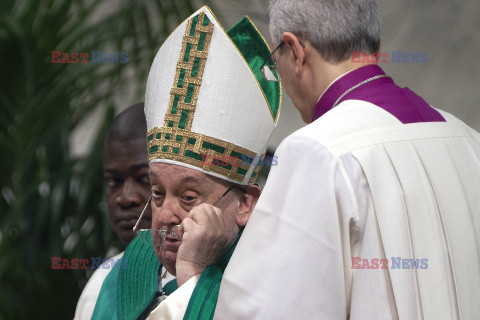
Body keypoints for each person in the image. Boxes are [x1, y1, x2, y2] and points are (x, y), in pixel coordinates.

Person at [214, 0, 480, 319]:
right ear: (375, 46)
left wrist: (192, 280)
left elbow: (267, 310)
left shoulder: (317, 151)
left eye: (274, 61)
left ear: (294, 50)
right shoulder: (469, 140)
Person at [90, 6, 281, 320]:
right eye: (157, 193)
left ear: (245, 202)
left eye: (189, 197)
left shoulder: (268, 279)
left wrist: (193, 275)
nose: (164, 217)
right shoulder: (129, 269)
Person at [74, 102, 159, 320]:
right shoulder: (101, 283)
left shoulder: (216, 281)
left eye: (144, 179)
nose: (125, 198)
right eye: (114, 181)